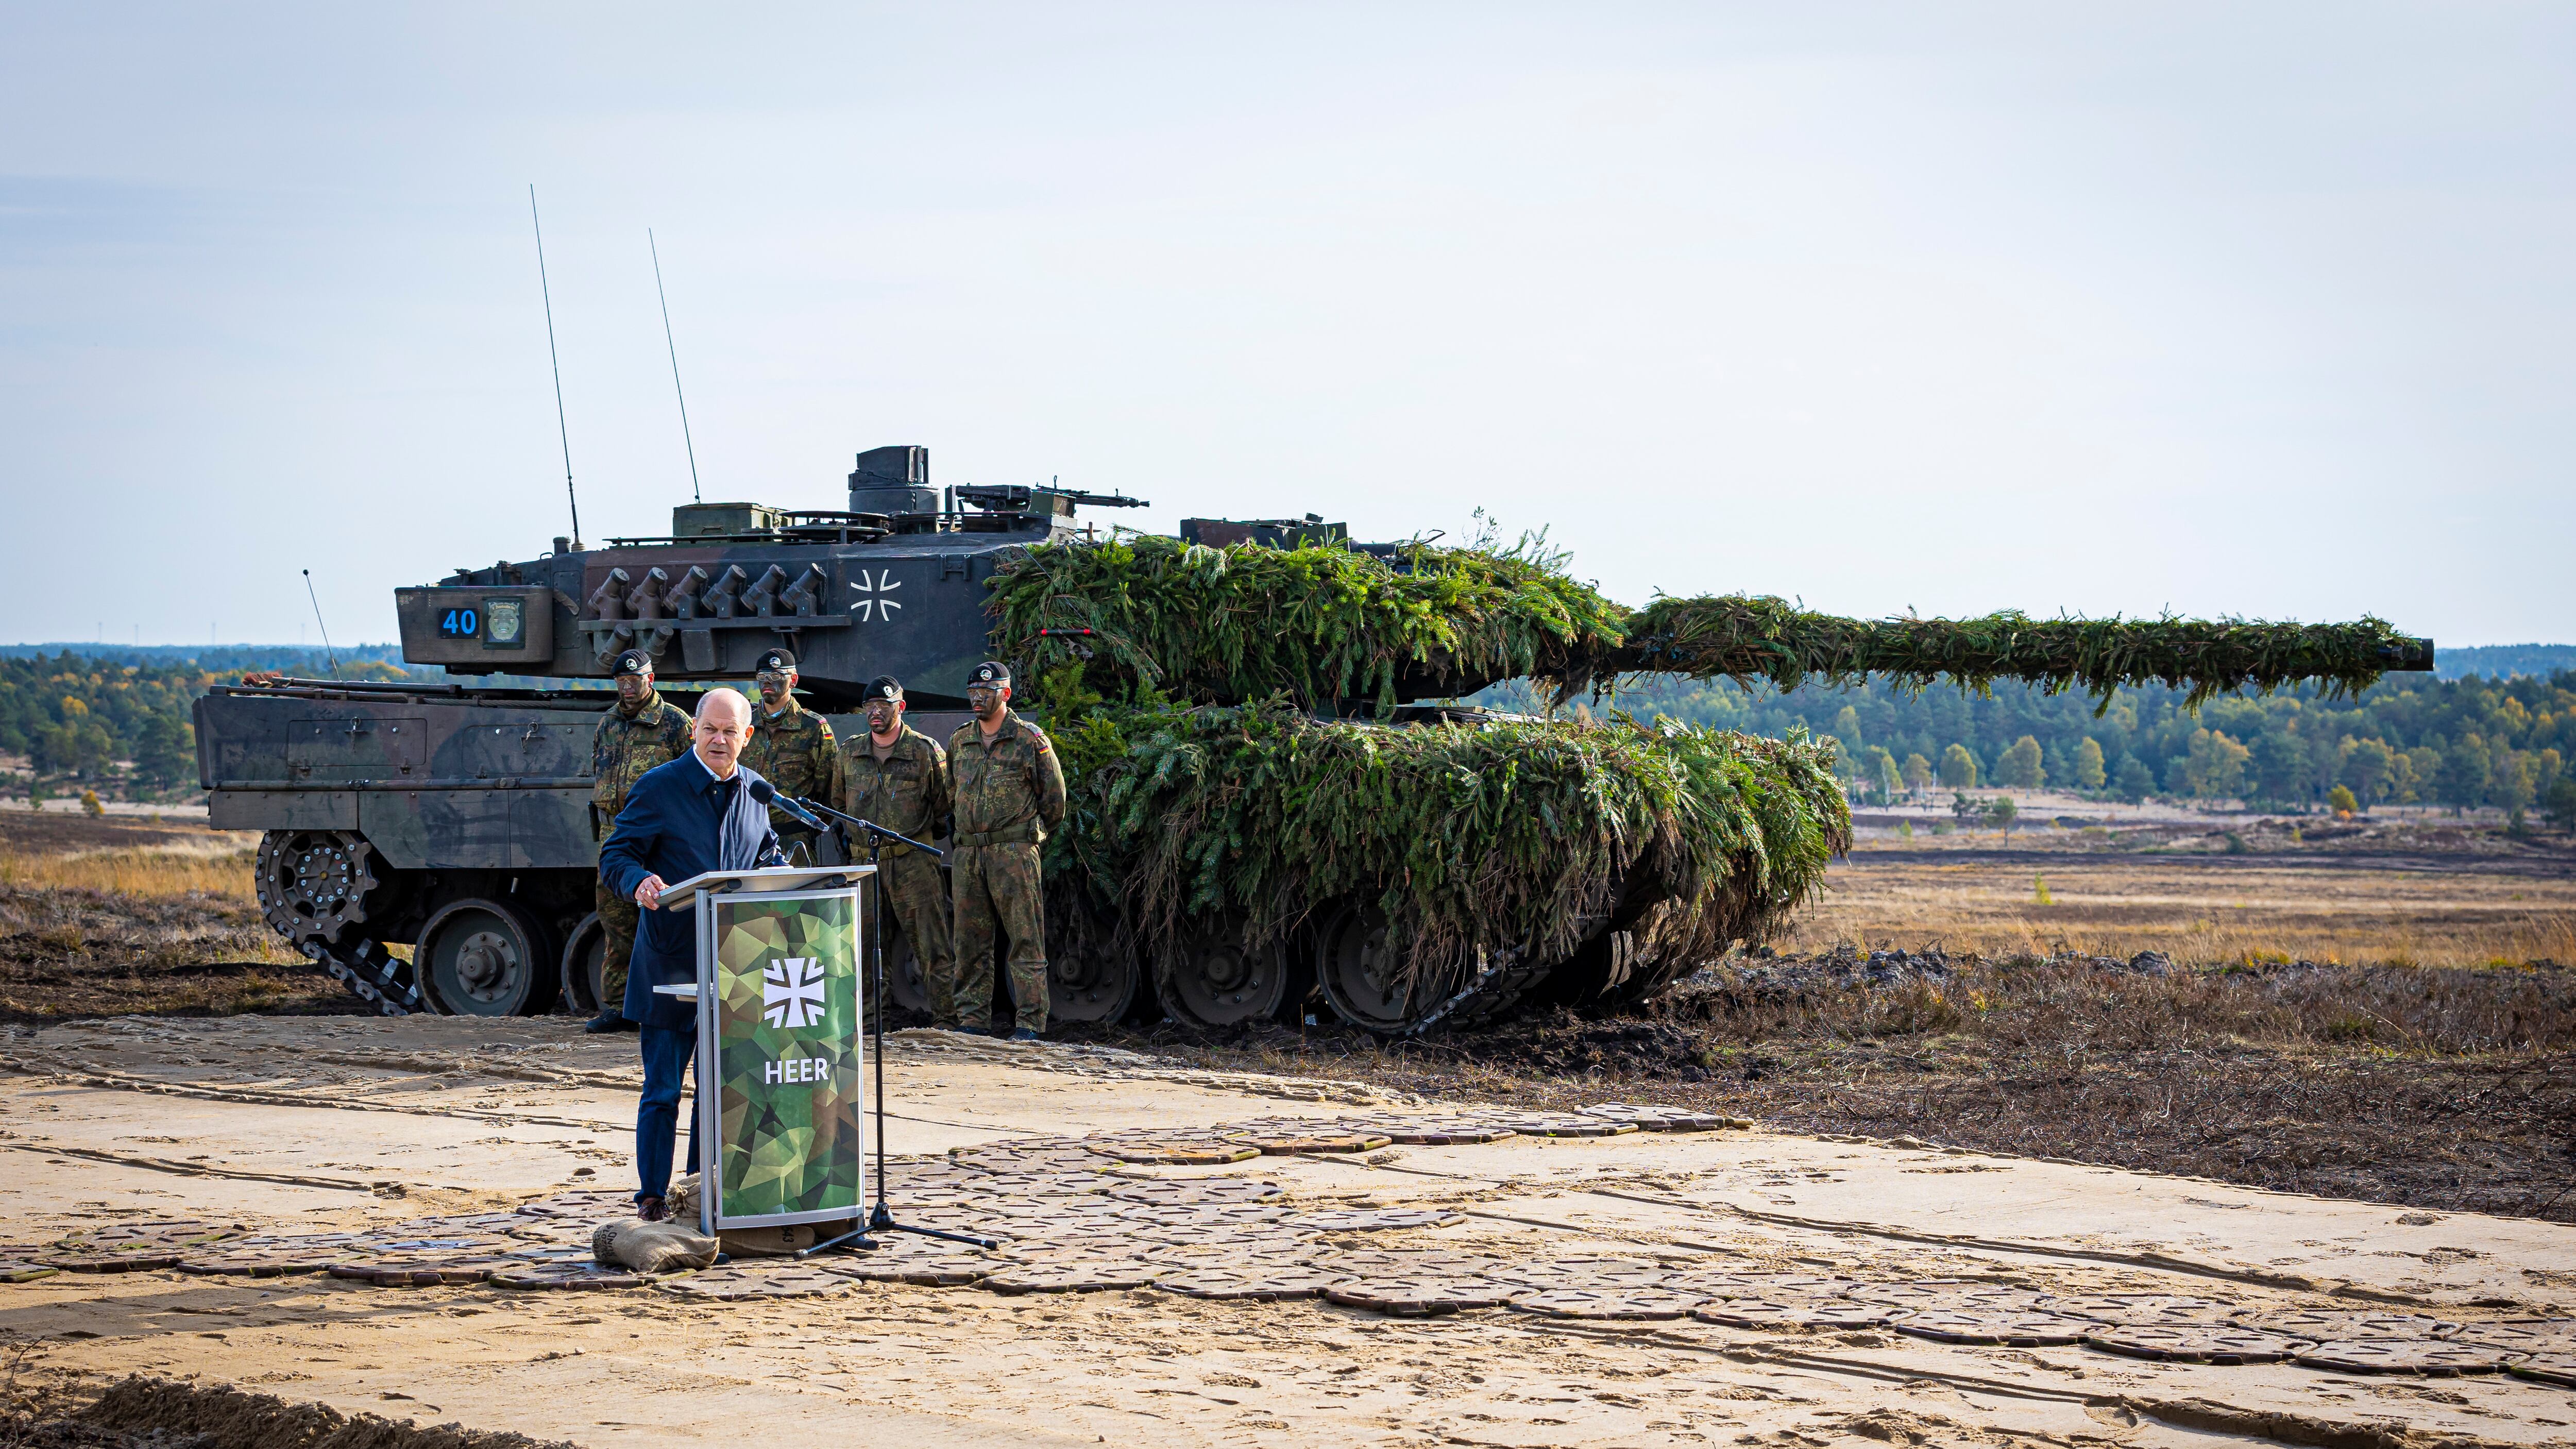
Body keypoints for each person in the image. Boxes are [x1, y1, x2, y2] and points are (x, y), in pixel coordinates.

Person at [596, 687, 788, 1221]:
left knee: (717, 1090)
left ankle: (700, 1194)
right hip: (670, 962)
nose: (719, 740)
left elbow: (767, 855)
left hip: (735, 965)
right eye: (710, 730)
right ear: (694, 730)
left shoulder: (756, 792)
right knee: (662, 1090)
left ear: (747, 737)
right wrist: (638, 881)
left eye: (730, 732)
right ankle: (652, 1198)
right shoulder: (660, 786)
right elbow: (616, 855)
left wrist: (783, 878)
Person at [947, 661, 1065, 1040]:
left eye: (987, 692)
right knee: (969, 941)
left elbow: (1055, 800)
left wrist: (1028, 837)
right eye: (973, 693)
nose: (978, 699)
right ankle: (972, 1020)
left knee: (1025, 938)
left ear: (1006, 694)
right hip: (969, 854)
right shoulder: (960, 740)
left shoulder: (1029, 739)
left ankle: (1030, 1022)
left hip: (1013, 852)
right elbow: (952, 792)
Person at [836, 676, 955, 1027]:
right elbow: (839, 803)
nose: (875, 712)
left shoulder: (925, 751)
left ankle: (947, 1023)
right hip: (865, 864)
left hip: (912, 863)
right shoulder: (850, 753)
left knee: (932, 946)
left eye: (883, 706)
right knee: (865, 949)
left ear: (900, 707)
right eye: (870, 706)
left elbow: (943, 808)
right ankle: (872, 1024)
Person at [585, 648, 692, 1034]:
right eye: (622, 682)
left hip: (659, 838)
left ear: (651, 680)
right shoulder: (608, 724)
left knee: (665, 921)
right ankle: (619, 1007)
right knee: (616, 921)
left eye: (635, 680)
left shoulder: (675, 723)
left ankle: (665, 1004)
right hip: (615, 835)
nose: (628, 688)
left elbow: (692, 778)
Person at [737, 648, 842, 865]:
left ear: (793, 680)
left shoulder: (813, 727)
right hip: (746, 837)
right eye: (763, 676)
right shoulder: (744, 724)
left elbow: (830, 788)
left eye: (776, 676)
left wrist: (806, 826)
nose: (768, 681)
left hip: (793, 839)